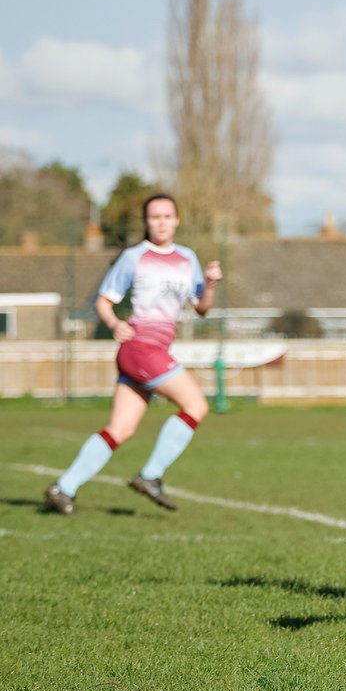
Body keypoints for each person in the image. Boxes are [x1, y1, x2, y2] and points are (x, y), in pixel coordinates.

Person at [43, 194, 222, 516]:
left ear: (177, 220)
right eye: (155, 217)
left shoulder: (187, 257)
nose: (162, 222)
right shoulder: (134, 257)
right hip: (141, 348)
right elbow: (103, 301)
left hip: (151, 352)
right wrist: (114, 323)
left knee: (120, 429)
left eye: (167, 216)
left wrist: (209, 284)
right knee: (196, 405)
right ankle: (151, 475)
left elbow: (202, 308)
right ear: (146, 222)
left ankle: (63, 488)